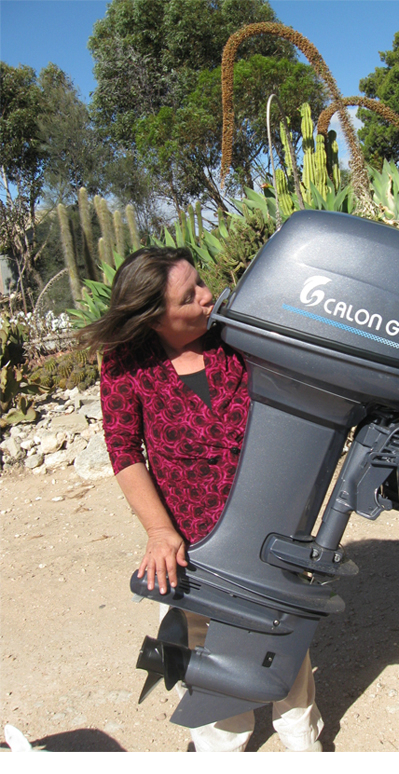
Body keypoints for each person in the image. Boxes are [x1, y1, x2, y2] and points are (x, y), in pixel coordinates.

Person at [82, 246, 324, 752]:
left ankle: (302, 738)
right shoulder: (126, 365)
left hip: (273, 522)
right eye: (188, 296)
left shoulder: (239, 337)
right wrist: (158, 531)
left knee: (282, 626)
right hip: (195, 534)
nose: (207, 294)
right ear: (155, 318)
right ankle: (222, 747)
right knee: (208, 640)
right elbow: (124, 451)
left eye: (200, 281)